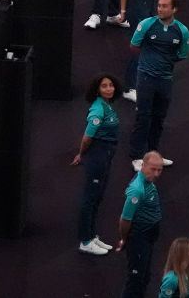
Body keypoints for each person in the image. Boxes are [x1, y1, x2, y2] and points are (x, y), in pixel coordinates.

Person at [129, 0, 189, 169]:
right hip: (146, 77)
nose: (160, 9)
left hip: (165, 79)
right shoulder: (147, 24)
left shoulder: (182, 30)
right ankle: (136, 156)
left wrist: (163, 62)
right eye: (159, 5)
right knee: (143, 117)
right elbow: (134, 46)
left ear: (174, 9)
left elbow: (182, 54)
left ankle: (153, 154)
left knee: (159, 118)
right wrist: (149, 61)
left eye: (164, 6)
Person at [72, 73, 122, 256]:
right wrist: (81, 154)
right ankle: (85, 241)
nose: (109, 88)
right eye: (104, 86)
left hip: (107, 154)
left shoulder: (107, 106)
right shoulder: (98, 110)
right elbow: (87, 137)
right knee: (90, 198)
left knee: (98, 197)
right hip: (97, 155)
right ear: (97, 90)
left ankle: (92, 236)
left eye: (111, 85)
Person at [118, 152, 166, 298]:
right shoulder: (137, 190)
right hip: (139, 237)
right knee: (135, 281)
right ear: (143, 166)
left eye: (159, 170)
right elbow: (125, 219)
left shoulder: (148, 181)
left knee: (144, 277)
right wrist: (124, 239)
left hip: (149, 235)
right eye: (153, 169)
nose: (157, 174)